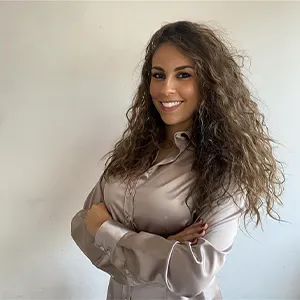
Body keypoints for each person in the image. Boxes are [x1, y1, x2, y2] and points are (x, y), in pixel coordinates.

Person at [71, 21, 284, 300]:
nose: (166, 89)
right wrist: (164, 249)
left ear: (209, 83)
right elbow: (81, 225)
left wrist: (107, 232)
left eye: (183, 75)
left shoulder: (225, 167)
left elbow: (193, 274)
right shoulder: (133, 151)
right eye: (158, 75)